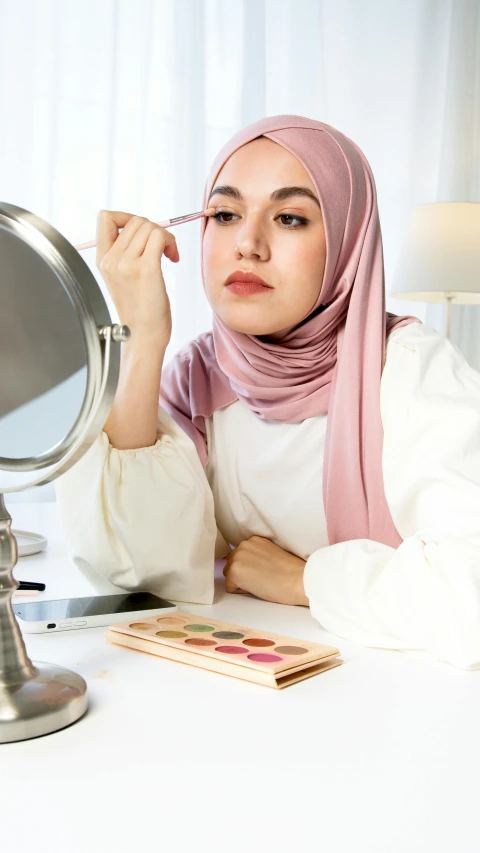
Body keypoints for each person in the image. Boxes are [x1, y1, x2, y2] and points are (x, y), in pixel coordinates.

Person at [55, 115, 480, 670]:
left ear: (347, 243)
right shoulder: (195, 375)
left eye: (290, 218)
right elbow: (141, 571)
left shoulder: (409, 370)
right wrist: (142, 338)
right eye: (226, 215)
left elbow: (468, 595)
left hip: (398, 693)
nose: (248, 245)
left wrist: (306, 580)